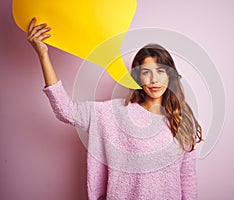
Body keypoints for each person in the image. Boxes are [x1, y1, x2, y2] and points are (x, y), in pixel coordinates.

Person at [27, 17, 203, 200]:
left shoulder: (183, 121)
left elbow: (187, 180)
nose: (154, 80)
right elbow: (65, 110)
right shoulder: (114, 113)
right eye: (146, 72)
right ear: (137, 78)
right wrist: (43, 55)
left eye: (160, 71)